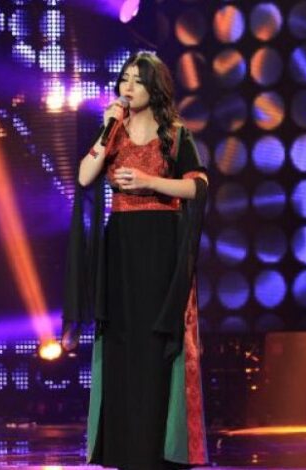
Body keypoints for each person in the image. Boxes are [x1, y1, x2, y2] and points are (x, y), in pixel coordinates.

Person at [63, 51, 209, 470]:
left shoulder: (175, 134)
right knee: (121, 339)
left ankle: (157, 451)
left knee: (154, 343)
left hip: (161, 246)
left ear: (154, 88)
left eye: (137, 80)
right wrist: (106, 131)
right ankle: (123, 449)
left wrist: (151, 182)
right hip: (121, 245)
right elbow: (84, 177)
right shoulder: (113, 130)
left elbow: (198, 186)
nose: (127, 87)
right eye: (124, 79)